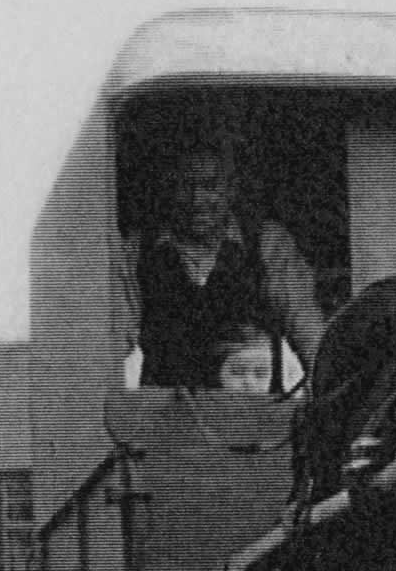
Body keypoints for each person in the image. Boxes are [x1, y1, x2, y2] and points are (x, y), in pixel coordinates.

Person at [119, 136, 325, 391]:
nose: (197, 200)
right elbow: (116, 335)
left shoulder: (267, 243)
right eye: (185, 186)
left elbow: (306, 326)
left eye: (210, 185)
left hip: (253, 407)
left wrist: (327, 393)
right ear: (168, 188)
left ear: (231, 189)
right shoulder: (138, 248)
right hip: (170, 411)